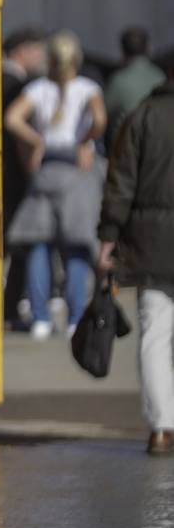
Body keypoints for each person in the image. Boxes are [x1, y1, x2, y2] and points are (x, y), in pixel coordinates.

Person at [4, 30, 107, 340]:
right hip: (76, 170)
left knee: (39, 242)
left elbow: (13, 119)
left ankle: (40, 317)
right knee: (76, 245)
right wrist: (86, 141)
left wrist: (36, 142)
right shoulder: (88, 88)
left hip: (46, 166)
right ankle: (75, 316)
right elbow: (100, 121)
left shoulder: (37, 89)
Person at [97, 60, 174, 456]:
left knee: (156, 335)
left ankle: (162, 428)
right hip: (153, 238)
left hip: (151, 242)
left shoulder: (142, 116)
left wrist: (108, 238)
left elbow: (120, 182)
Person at [1, 28, 48, 328]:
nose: (41, 57)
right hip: (12, 176)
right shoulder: (18, 86)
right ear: (22, 51)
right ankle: (9, 307)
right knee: (19, 243)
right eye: (37, 50)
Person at [102, 26, 164, 156]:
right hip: (159, 150)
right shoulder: (161, 77)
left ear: (123, 51)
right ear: (148, 48)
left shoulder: (118, 81)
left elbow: (102, 116)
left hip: (127, 152)